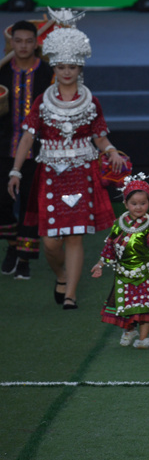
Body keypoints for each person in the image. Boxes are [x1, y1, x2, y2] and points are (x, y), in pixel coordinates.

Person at [7, 19, 124, 309]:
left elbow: (100, 136)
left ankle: (70, 293)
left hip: (81, 174)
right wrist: (16, 170)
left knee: (74, 238)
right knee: (50, 242)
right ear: (55, 69)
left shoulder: (91, 101)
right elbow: (26, 139)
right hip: (50, 175)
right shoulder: (42, 102)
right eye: (62, 67)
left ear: (79, 70)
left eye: (72, 67)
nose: (67, 72)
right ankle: (60, 274)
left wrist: (110, 150)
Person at [0, 20, 54, 279]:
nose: (23, 46)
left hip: (39, 150)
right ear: (12, 43)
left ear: (36, 43)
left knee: (31, 204)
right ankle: (12, 246)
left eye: (28, 41)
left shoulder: (47, 73)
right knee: (3, 202)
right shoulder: (2, 72)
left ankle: (24, 258)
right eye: (18, 41)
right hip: (3, 147)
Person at [91, 174, 149, 349]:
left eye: (143, 203)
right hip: (123, 273)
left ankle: (143, 339)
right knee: (126, 305)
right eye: (134, 203)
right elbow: (110, 245)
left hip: (144, 273)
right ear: (125, 204)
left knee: (145, 306)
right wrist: (100, 264)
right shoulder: (118, 223)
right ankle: (129, 330)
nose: (139, 207)